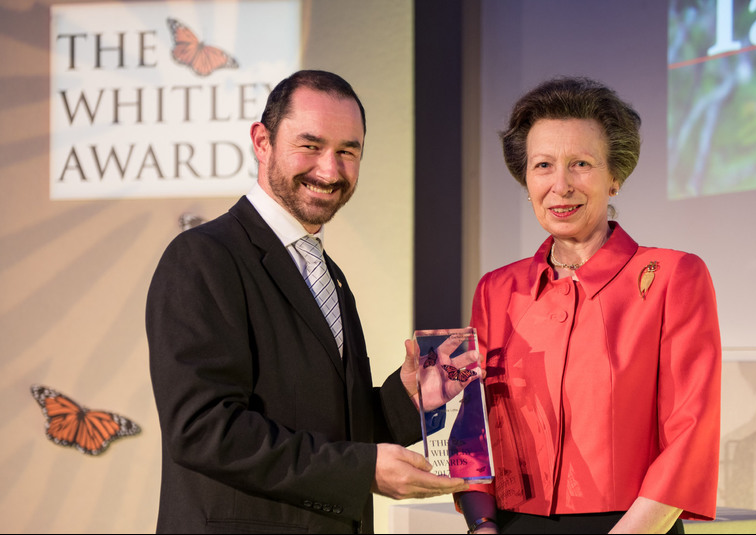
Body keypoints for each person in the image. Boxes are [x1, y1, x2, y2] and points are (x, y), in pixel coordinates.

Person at [145, 69, 471, 534]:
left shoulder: (327, 272)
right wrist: (361, 470)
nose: (330, 170)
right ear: (262, 142)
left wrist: (407, 398)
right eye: (311, 146)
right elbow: (203, 430)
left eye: (347, 151)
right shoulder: (203, 257)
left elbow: (330, 432)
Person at [455, 76, 722, 534]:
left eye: (580, 164)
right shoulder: (496, 289)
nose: (560, 185)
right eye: (542, 166)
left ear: (615, 177)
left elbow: (690, 431)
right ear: (526, 179)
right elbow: (471, 422)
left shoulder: (672, 276)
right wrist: (481, 524)